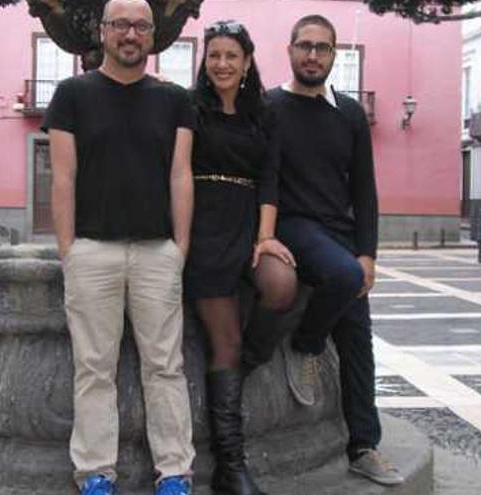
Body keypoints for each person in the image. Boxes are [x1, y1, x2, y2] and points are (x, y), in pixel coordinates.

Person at [243, 14, 404, 487]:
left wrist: (368, 252)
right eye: (305, 46)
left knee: (358, 337)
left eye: (323, 48)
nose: (313, 55)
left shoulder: (350, 114)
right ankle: (307, 343)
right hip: (294, 226)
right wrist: (264, 235)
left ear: (335, 55)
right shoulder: (269, 107)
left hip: (341, 233)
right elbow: (265, 178)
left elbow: (365, 190)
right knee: (344, 278)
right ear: (290, 50)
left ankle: (363, 445)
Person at [42, 0, 196, 493]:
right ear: (104, 31)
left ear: (152, 36)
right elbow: (63, 177)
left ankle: (175, 472)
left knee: (165, 367)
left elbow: (180, 174)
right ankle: (94, 474)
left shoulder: (174, 100)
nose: (131, 34)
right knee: (93, 368)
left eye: (141, 26)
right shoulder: (72, 95)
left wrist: (180, 248)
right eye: (121, 24)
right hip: (92, 251)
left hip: (156, 252)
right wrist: (69, 249)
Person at [186, 20, 298, 495]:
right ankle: (230, 468)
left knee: (282, 285)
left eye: (232, 55)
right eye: (214, 55)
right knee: (222, 344)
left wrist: (266, 237)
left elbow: (270, 177)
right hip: (204, 226)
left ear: (247, 61)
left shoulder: (264, 113)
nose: (223, 64)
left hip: (250, 222)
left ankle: (249, 361)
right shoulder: (191, 109)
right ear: (205, 61)